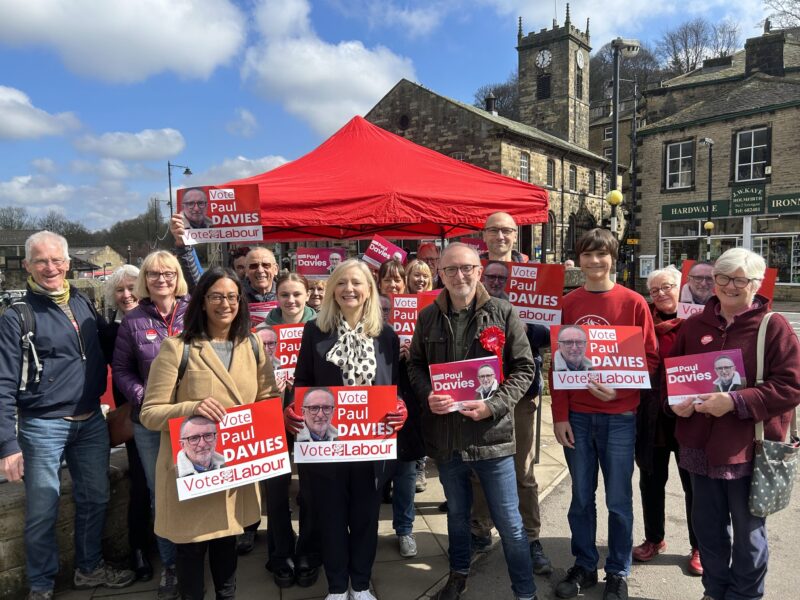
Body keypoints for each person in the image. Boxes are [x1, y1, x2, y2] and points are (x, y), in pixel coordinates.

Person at [0, 231, 136, 599]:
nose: (50, 268)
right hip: (42, 425)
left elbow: (108, 340)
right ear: (27, 265)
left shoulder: (80, 301)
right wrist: (7, 444)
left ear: (68, 263)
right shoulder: (18, 316)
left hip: (90, 419)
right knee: (43, 509)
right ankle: (41, 585)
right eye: (41, 261)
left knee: (96, 498)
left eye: (57, 260)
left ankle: (88, 570)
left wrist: (145, 328)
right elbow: (3, 382)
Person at [140, 267, 278, 600]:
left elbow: (267, 399)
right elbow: (149, 413)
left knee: (226, 548)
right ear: (201, 301)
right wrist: (191, 408)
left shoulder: (254, 344)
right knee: (190, 555)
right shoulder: (178, 348)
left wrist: (278, 408)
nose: (225, 304)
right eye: (216, 296)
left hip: (234, 468)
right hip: (192, 473)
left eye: (232, 296)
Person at [408, 243, 537, 600]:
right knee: (457, 517)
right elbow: (415, 365)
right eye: (450, 270)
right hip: (447, 438)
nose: (459, 275)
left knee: (510, 525)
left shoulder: (504, 312)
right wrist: (427, 394)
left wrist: (494, 406)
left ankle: (525, 592)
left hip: (491, 436)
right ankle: (459, 574)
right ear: (441, 274)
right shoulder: (428, 317)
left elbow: (525, 368)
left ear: (479, 271)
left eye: (466, 268)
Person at [670, 247, 800, 600]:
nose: (730, 286)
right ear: (713, 282)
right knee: (708, 530)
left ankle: (745, 595)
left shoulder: (774, 327)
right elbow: (676, 379)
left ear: (756, 284)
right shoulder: (694, 326)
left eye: (740, 279)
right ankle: (714, 591)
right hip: (699, 446)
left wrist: (735, 400)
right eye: (723, 278)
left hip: (748, 449)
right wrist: (677, 406)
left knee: (749, 534)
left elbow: (790, 386)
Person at [284, 259, 407, 600]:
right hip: (327, 447)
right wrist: (293, 409)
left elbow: (394, 389)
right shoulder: (315, 332)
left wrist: (400, 409)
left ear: (369, 289)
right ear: (332, 290)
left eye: (356, 283)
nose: (348, 289)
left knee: (367, 518)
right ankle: (338, 586)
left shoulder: (387, 336)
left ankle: (361, 584)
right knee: (332, 517)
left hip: (372, 448)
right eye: (341, 283)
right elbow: (303, 382)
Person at [551, 229, 659, 600]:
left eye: (601, 255)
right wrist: (560, 414)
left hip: (619, 416)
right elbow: (558, 363)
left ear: (614, 258)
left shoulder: (633, 303)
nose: (594, 262)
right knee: (581, 496)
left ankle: (617, 569)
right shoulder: (568, 303)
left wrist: (623, 388)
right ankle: (584, 564)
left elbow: (650, 358)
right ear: (578, 259)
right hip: (577, 416)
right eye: (587, 255)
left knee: (618, 499)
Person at [473, 212, 552, 576]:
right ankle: (479, 530)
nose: (500, 235)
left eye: (507, 230)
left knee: (522, 468)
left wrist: (518, 323)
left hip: (520, 388)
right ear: (484, 235)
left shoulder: (535, 275)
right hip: (479, 388)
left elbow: (548, 335)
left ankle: (530, 537)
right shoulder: (470, 269)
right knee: (478, 465)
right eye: (494, 229)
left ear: (515, 234)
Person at [113, 250, 190, 600]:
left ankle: (196, 559)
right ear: (145, 278)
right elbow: (123, 370)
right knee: (161, 494)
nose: (162, 279)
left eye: (169, 273)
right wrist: (142, 393)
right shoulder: (133, 320)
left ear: (178, 276)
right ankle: (171, 566)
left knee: (201, 485)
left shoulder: (194, 311)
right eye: (155, 273)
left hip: (192, 416)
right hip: (150, 421)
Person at [632, 266, 700, 576]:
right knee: (650, 481)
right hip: (652, 417)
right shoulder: (642, 320)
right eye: (655, 289)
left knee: (694, 485)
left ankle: (699, 545)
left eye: (668, 287)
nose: (661, 294)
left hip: (689, 417)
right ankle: (654, 538)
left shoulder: (696, 321)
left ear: (680, 287)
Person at [103, 265, 155, 582]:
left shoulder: (157, 319)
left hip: (167, 412)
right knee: (140, 483)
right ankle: (139, 548)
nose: (126, 295)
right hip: (134, 414)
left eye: (131, 288)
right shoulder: (108, 330)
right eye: (119, 290)